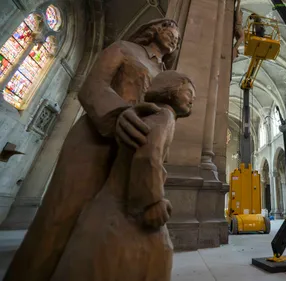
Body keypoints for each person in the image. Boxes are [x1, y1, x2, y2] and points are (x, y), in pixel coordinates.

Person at [3, 18, 181, 281]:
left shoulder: (165, 75)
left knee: (109, 233)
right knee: (60, 222)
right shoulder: (124, 48)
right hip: (97, 140)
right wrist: (119, 113)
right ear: (156, 29)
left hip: (133, 152)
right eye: (171, 33)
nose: (174, 41)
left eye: (178, 40)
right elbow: (93, 85)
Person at [49, 70, 196, 281]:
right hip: (133, 202)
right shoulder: (164, 115)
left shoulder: (154, 113)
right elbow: (148, 155)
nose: (193, 100)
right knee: (153, 254)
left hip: (112, 203)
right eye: (189, 93)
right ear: (171, 91)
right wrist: (152, 201)